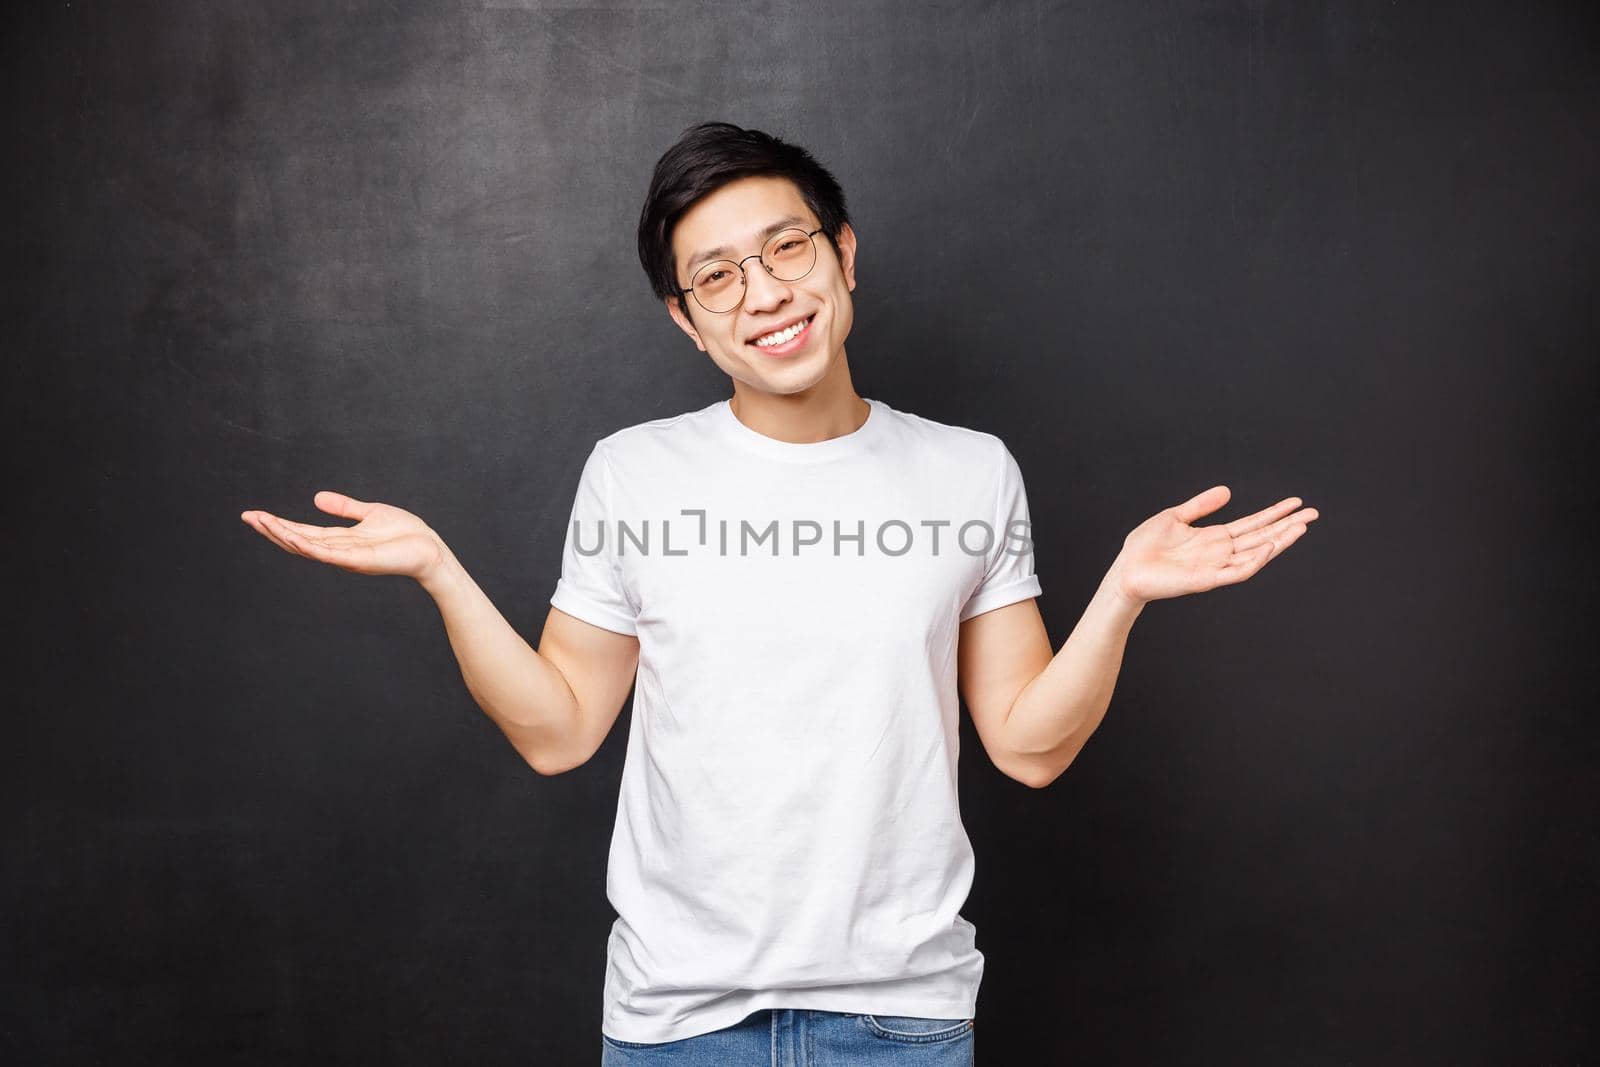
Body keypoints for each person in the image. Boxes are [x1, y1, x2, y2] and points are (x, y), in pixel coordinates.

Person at [241, 121, 1318, 1065]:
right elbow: (559, 730)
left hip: (900, 1018)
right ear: (685, 318)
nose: (763, 294)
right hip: (677, 1021)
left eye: (786, 247)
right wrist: (440, 569)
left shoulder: (969, 470)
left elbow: (1030, 744)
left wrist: (1121, 592)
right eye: (716, 276)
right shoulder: (633, 471)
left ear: (841, 254)